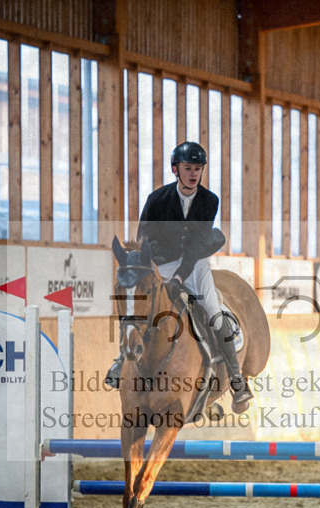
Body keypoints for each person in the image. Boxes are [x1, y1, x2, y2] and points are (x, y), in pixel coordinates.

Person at [105, 141, 253, 411]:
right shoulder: (157, 200)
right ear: (176, 170)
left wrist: (180, 278)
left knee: (214, 310)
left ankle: (236, 380)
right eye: (188, 168)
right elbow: (143, 240)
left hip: (194, 264)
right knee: (143, 306)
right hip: (161, 264)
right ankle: (120, 359)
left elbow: (197, 245)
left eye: (198, 168)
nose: (194, 173)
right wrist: (157, 273)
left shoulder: (210, 201)